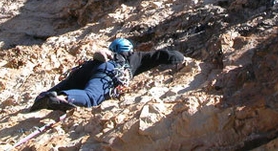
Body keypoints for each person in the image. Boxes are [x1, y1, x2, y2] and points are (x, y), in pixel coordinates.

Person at [30, 38, 185, 112]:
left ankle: (44, 96)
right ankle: (63, 98)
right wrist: (180, 58)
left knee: (68, 84)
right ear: (129, 49)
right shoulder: (135, 57)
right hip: (110, 69)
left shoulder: (108, 54)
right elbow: (161, 55)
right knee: (92, 96)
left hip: (87, 67)